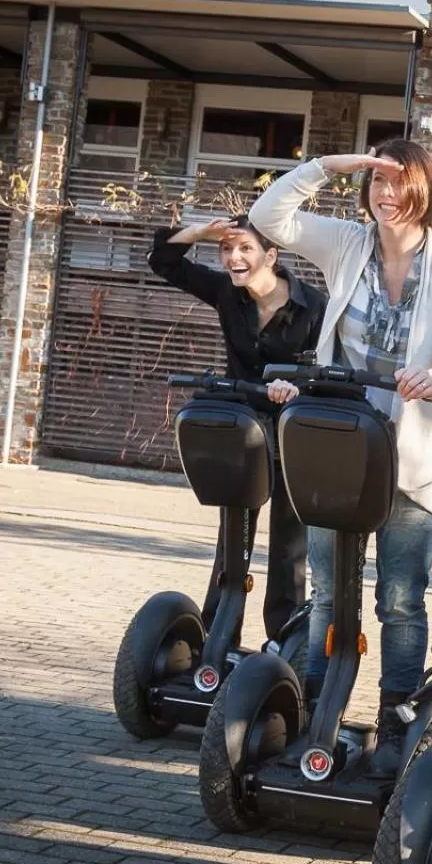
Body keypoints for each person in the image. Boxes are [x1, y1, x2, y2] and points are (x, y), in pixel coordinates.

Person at [249, 139, 432, 764]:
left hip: (411, 458)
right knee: (326, 593)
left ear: (425, 191)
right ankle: (315, 715)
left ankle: (396, 726)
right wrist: (331, 166)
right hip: (342, 449)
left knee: (399, 601)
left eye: (400, 183)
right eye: (377, 182)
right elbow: (270, 219)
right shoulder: (347, 243)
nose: (387, 194)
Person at [147, 214, 323, 648]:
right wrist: (199, 234)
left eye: (245, 248)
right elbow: (163, 261)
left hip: (294, 436)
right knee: (233, 542)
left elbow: (327, 371)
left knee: (288, 549)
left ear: (271, 254)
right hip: (244, 434)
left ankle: (284, 646)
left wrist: (298, 384)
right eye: (227, 249)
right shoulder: (228, 293)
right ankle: (217, 639)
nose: (234, 257)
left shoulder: (315, 307)